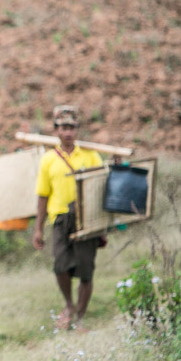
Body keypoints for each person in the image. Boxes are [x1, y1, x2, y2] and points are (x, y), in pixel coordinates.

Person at [32, 105, 104, 330]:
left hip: (87, 219)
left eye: (72, 127)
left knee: (86, 270)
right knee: (61, 266)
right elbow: (43, 195)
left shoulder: (91, 156)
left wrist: (102, 227)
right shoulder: (48, 160)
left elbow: (101, 190)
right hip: (60, 218)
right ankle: (69, 305)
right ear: (56, 130)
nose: (68, 132)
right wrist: (38, 228)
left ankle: (80, 317)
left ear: (77, 129)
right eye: (63, 127)